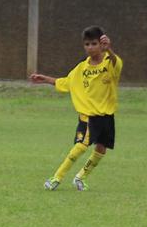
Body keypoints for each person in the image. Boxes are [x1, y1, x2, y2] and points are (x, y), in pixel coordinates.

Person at [30, 26, 122, 191]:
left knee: (101, 148)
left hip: (107, 116)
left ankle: (80, 177)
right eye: (87, 44)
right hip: (88, 116)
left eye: (94, 43)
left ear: (101, 44)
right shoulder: (81, 68)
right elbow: (67, 82)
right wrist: (46, 79)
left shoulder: (110, 61)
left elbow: (117, 64)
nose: (90, 48)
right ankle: (56, 177)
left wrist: (111, 50)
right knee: (81, 146)